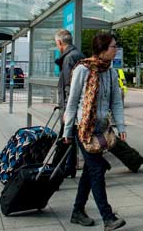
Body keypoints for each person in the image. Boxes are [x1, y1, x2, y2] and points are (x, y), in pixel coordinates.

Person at [63, 33, 127, 230]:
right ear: (103, 49)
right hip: (83, 128)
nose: (116, 49)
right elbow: (73, 101)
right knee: (97, 169)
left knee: (90, 172)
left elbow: (116, 101)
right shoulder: (82, 69)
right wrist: (67, 132)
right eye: (114, 46)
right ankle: (108, 217)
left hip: (100, 129)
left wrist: (121, 127)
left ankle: (77, 211)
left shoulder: (111, 72)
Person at [55, 29, 83, 177]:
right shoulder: (78, 54)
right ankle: (69, 167)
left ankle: (63, 168)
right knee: (72, 137)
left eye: (56, 44)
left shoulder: (68, 59)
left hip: (72, 107)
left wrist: (67, 111)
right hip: (81, 105)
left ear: (60, 42)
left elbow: (68, 88)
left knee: (69, 137)